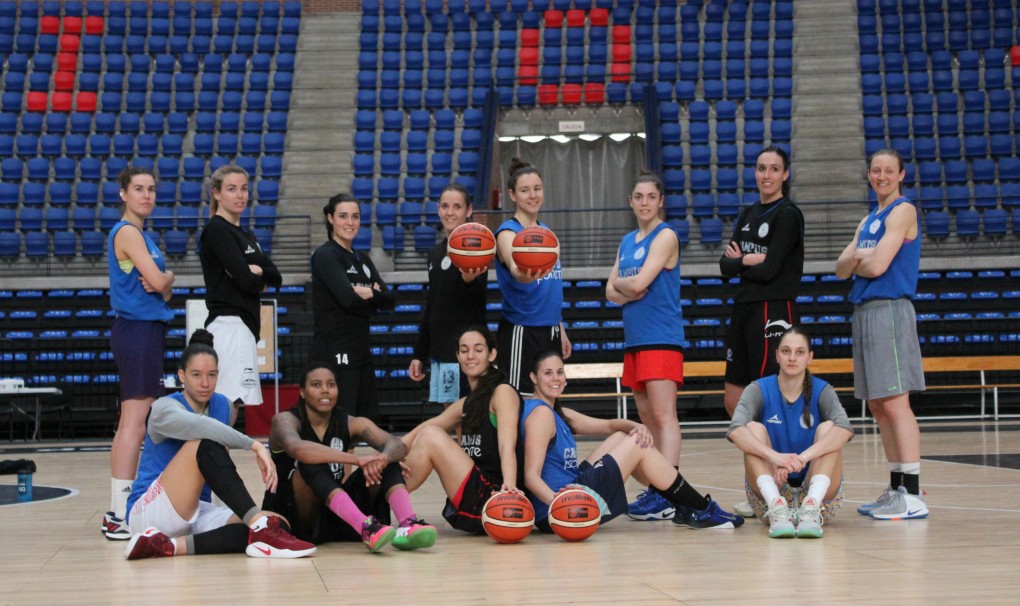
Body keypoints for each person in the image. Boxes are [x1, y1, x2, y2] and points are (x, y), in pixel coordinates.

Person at [122, 330, 316, 560]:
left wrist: (236, 511)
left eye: (212, 375)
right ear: (182, 376)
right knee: (203, 443)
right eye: (196, 375)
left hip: (197, 509)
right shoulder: (163, 407)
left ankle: (166, 546)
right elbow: (199, 426)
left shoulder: (223, 405)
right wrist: (254, 445)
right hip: (148, 511)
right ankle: (260, 526)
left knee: (279, 522)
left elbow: (217, 466)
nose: (205, 383)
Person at [522, 351, 743, 531]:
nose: (556, 378)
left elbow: (610, 425)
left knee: (622, 437)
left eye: (560, 372)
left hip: (569, 492)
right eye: (548, 373)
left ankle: (677, 502)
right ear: (533, 378)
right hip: (562, 509)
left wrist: (636, 426)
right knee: (638, 444)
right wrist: (559, 504)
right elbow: (531, 475)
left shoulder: (557, 412)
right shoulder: (541, 415)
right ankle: (701, 508)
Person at [836, 148, 928, 521]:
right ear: (869, 175)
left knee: (895, 402)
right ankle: (896, 488)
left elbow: (876, 266)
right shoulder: (869, 218)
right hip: (865, 311)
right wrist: (859, 260)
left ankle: (913, 493)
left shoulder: (903, 211)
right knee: (877, 404)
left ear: (901, 175)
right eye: (876, 170)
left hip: (889, 309)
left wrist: (858, 260)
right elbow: (840, 268)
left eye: (889, 170)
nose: (882, 176)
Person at [262, 363, 437, 553]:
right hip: (294, 518)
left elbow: (397, 444)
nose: (325, 390)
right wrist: (355, 460)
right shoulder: (285, 420)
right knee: (310, 461)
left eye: (331, 384)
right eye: (316, 385)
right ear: (302, 392)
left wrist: (383, 458)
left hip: (336, 514)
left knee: (386, 460)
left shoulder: (349, 422)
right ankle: (366, 527)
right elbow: (297, 448)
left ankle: (407, 525)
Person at [718, 145, 804, 518]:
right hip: (743, 309)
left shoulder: (788, 215)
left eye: (773, 168)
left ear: (785, 174)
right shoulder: (749, 213)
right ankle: (759, 488)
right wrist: (746, 261)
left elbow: (770, 270)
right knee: (735, 401)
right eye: (761, 168)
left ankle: (784, 488)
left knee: (769, 401)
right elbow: (723, 267)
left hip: (773, 309)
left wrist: (741, 261)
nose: (766, 175)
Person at [605, 172, 686, 521]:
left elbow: (632, 284)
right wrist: (630, 287)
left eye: (651, 196)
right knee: (647, 419)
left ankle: (670, 493)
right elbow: (610, 291)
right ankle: (657, 489)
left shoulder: (665, 236)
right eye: (638, 197)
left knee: (665, 417)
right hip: (635, 340)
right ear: (630, 201)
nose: (644, 203)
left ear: (661, 201)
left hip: (661, 337)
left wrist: (626, 285)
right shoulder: (627, 241)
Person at [104, 166, 177, 540]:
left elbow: (163, 288)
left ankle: (122, 508)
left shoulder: (144, 236)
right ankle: (118, 513)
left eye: (151, 189)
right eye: (138, 188)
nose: (146, 195)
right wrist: (167, 279)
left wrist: (164, 283)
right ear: (123, 194)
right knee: (133, 420)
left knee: (136, 419)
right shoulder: (128, 232)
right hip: (136, 330)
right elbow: (161, 282)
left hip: (145, 330)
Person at [727, 327, 854, 538]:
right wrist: (775, 457)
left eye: (799, 352)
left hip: (820, 498)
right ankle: (777, 506)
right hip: (771, 492)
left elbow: (845, 429)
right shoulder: (758, 389)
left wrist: (803, 458)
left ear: (810, 357)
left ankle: (811, 508)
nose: (792, 358)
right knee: (752, 429)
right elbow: (735, 430)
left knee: (830, 429)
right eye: (786, 351)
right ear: (776, 355)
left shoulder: (822, 390)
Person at [400, 326, 522, 534]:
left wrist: (509, 491)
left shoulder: (502, 392)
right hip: (476, 492)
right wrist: (384, 458)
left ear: (492, 354)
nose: (470, 356)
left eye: (478, 349)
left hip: (494, 495)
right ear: (457, 356)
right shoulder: (467, 402)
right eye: (464, 350)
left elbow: (507, 446)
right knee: (423, 434)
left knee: (431, 436)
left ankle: (382, 503)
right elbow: (415, 433)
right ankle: (379, 499)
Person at [199, 165, 280, 419]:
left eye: (244, 189)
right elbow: (247, 281)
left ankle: (215, 447)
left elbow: (276, 277)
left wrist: (256, 272)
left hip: (243, 327)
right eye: (232, 189)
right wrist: (252, 276)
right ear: (216, 193)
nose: (240, 195)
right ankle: (210, 447)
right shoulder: (217, 230)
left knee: (232, 405)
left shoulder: (247, 235)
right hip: (228, 326)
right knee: (225, 404)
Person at [310, 194, 394, 421]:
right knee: (341, 422)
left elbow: (390, 300)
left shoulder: (363, 259)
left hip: (361, 352)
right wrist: (372, 299)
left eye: (355, 217)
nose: (350, 222)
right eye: (343, 216)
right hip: (335, 352)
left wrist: (368, 293)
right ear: (331, 219)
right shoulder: (326, 255)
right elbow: (347, 299)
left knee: (365, 424)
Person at [494, 157, 570, 394]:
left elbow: (550, 288)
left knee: (550, 398)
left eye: (537, 189)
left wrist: (560, 328)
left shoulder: (546, 234)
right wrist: (527, 273)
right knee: (519, 398)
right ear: (512, 195)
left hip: (551, 329)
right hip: (522, 330)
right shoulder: (507, 232)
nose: (533, 195)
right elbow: (517, 271)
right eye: (525, 190)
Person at [409, 183, 488, 408]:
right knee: (450, 416)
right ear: (438, 209)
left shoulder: (477, 247)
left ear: (468, 210)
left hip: (467, 352)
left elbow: (475, 297)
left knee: (472, 415)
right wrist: (419, 354)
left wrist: (468, 280)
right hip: (441, 354)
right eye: (445, 206)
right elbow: (433, 306)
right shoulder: (435, 253)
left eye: (457, 206)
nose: (450, 212)